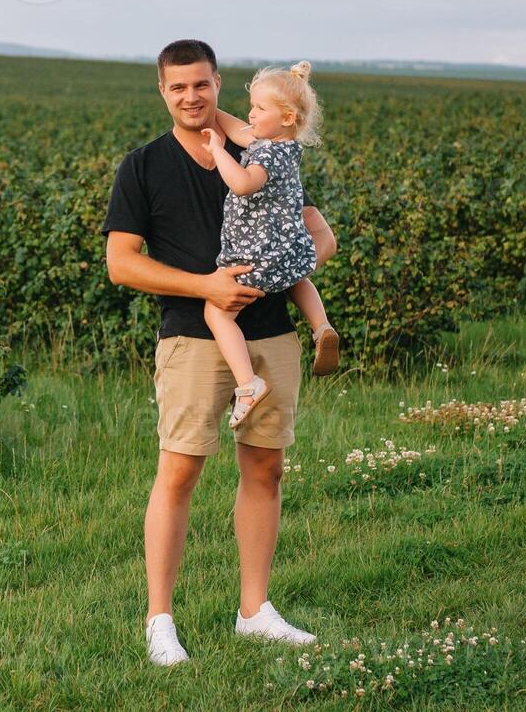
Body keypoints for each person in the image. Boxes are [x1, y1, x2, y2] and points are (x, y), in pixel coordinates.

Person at [102, 39, 337, 668]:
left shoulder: (258, 147)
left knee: (266, 470)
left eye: (201, 85)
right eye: (177, 88)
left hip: (270, 331)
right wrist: (207, 286)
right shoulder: (143, 167)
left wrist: (294, 263)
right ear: (163, 92)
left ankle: (254, 612)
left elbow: (315, 229)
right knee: (179, 472)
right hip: (191, 335)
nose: (191, 97)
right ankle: (160, 621)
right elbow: (121, 264)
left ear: (216, 85)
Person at [201, 61, 340, 435]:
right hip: (288, 248)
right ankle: (321, 326)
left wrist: (218, 150)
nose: (251, 114)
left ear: (287, 117)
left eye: (260, 108)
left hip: (257, 253)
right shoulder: (286, 147)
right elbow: (241, 130)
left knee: (216, 313)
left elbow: (244, 184)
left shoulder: (264, 156)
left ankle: (248, 384)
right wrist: (211, 112)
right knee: (296, 278)